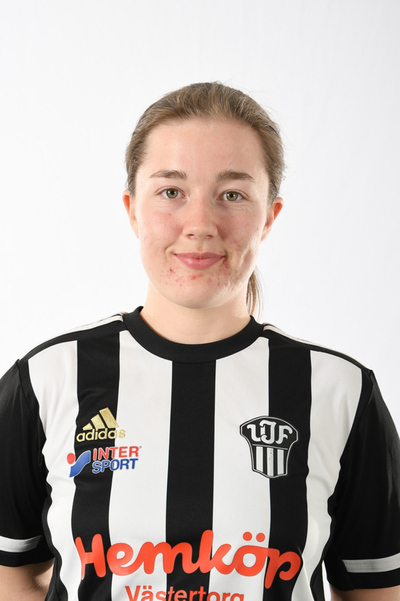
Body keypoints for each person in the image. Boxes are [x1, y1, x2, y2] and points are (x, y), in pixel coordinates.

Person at [0, 82, 399, 601]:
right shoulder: (46, 380)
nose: (200, 225)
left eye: (232, 195)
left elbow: (376, 590)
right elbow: (9, 572)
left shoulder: (340, 391)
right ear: (132, 209)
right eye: (171, 192)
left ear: (269, 216)